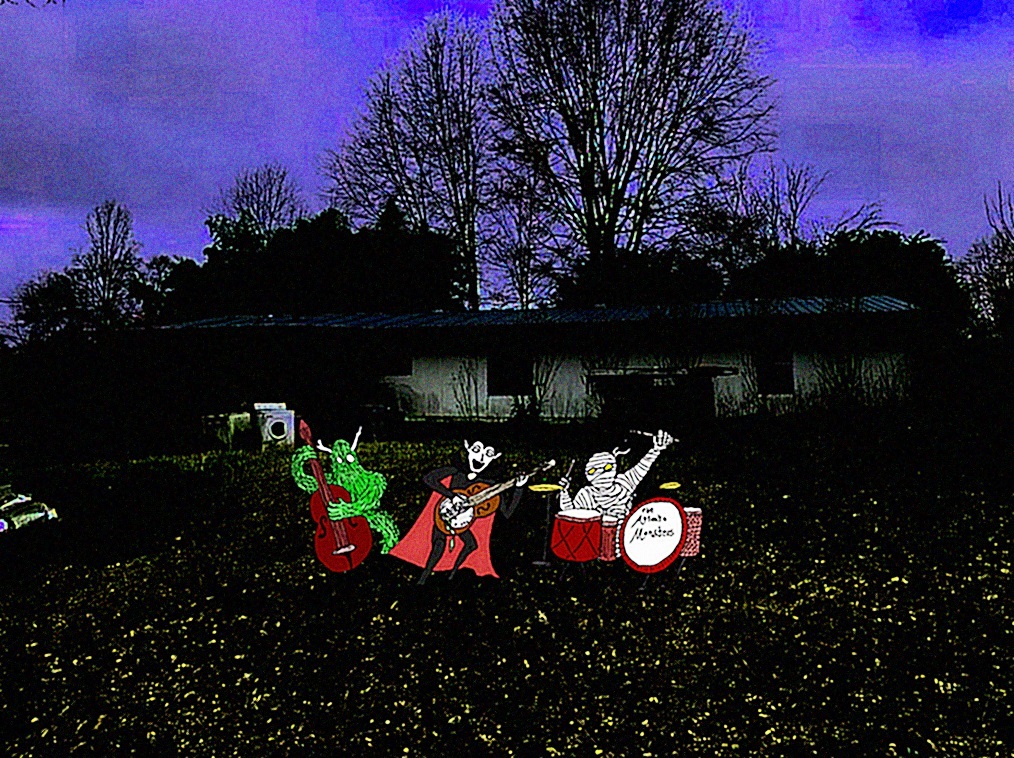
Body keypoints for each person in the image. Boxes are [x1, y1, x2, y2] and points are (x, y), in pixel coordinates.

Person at [388, 440, 529, 584]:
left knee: (471, 544)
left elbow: (507, 512)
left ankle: (452, 576)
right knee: (439, 544)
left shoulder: (490, 485)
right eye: (476, 450)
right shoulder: (456, 471)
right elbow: (429, 478)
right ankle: (423, 579)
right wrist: (451, 495)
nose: (481, 458)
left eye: (488, 454)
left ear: (496, 456)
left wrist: (519, 488)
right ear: (467, 447)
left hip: (462, 522)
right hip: (444, 515)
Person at [558, 429, 675, 524]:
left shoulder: (623, 483)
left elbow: (642, 466)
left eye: (607, 467)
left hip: (624, 539)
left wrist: (656, 449)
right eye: (593, 471)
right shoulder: (586, 494)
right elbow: (571, 515)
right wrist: (564, 493)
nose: (601, 473)